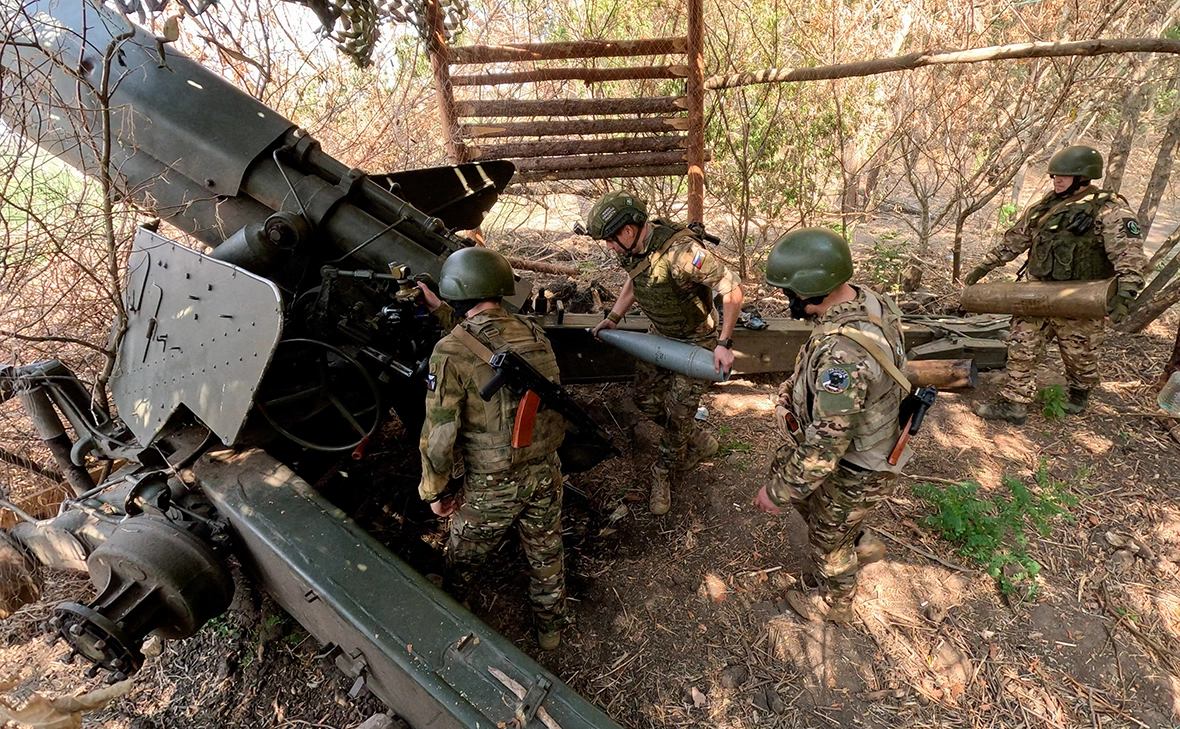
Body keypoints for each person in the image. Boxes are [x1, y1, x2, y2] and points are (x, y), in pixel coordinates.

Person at [752, 228, 911, 623]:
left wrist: (778, 491)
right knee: (816, 505)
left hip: (859, 464)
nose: (787, 299)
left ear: (812, 289)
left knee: (826, 541)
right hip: (862, 441)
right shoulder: (868, 301)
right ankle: (858, 537)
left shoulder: (844, 354)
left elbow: (827, 445)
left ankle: (835, 604)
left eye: (790, 291)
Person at [416, 247, 568, 650]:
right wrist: (438, 312)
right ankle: (551, 630)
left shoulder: (450, 352)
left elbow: (440, 434)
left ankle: (450, 612)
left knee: (462, 558)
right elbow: (488, 338)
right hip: (546, 469)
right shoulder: (534, 332)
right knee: (546, 551)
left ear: (455, 291)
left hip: (493, 483)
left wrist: (436, 492)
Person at [586, 191, 744, 515]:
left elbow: (732, 286)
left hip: (697, 342)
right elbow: (635, 279)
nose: (609, 247)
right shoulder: (630, 249)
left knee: (678, 414)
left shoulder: (683, 253)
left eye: (610, 240)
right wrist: (613, 317)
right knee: (644, 397)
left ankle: (664, 471)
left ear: (628, 230)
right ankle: (695, 437)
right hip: (660, 336)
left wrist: (724, 343)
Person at [965, 145, 1147, 424]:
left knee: (1080, 354)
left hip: (1081, 297)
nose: (1057, 181)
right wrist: (986, 265)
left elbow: (1130, 257)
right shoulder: (1045, 207)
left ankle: (1080, 392)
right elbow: (1016, 239)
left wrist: (1124, 294)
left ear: (1084, 177)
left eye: (1065, 176)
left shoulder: (1109, 210)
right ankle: (1015, 403)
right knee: (1021, 346)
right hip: (1036, 293)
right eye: (1054, 176)